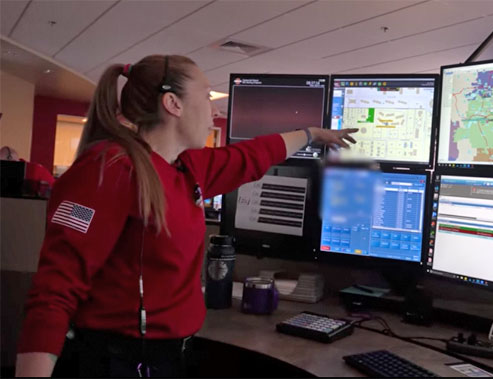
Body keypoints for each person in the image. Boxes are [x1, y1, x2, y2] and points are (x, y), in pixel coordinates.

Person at [15, 54, 357, 377]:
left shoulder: (188, 167)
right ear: (172, 104)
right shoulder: (107, 170)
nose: (212, 110)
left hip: (169, 355)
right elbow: (54, 291)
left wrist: (313, 134)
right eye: (206, 96)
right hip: (118, 359)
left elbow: (253, 155)